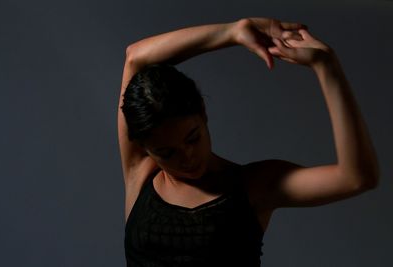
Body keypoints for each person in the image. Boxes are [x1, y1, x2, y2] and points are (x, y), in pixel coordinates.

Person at [117, 17, 379, 267]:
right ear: (145, 147)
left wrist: (327, 67)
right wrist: (231, 33)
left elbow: (356, 177)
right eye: (167, 153)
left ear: (203, 113)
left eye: (193, 138)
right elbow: (135, 57)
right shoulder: (140, 173)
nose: (186, 157)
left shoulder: (253, 186)